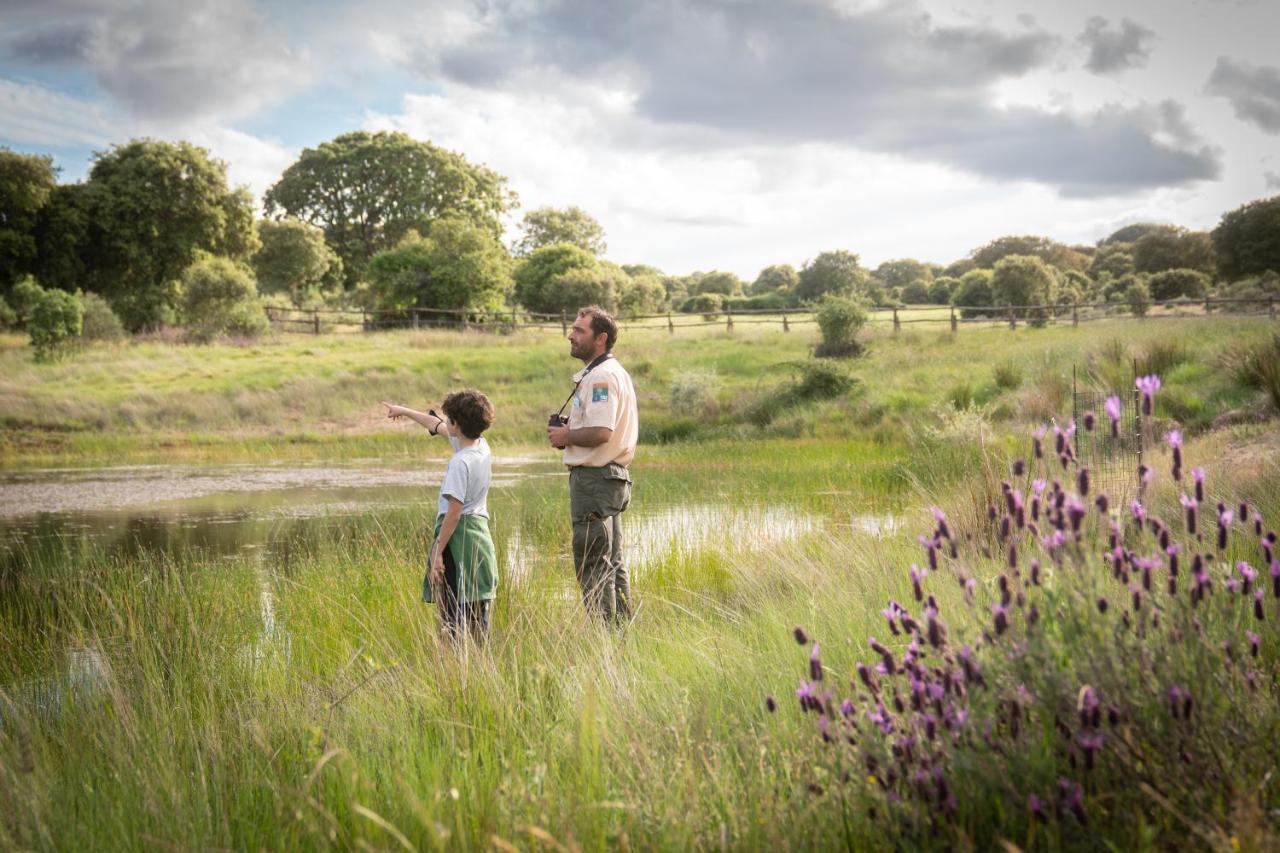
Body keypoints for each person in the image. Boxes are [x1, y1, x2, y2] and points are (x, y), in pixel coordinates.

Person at [547, 305, 639, 624]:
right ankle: (621, 637)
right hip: (608, 479)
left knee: (592, 563)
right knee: (612, 562)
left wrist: (565, 436)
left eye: (579, 330)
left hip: (594, 480)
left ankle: (605, 641)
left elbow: (601, 432)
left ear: (600, 338)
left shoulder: (601, 377)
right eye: (572, 329)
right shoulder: (610, 371)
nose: (570, 335)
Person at [382, 390, 497, 643]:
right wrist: (404, 410)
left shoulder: (460, 462)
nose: (444, 422)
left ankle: (456, 671)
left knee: (453, 620)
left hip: (458, 544)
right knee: (478, 620)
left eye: (448, 419)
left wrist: (437, 551)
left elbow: (454, 513)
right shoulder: (481, 447)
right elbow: (435, 425)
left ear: (456, 424)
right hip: (480, 541)